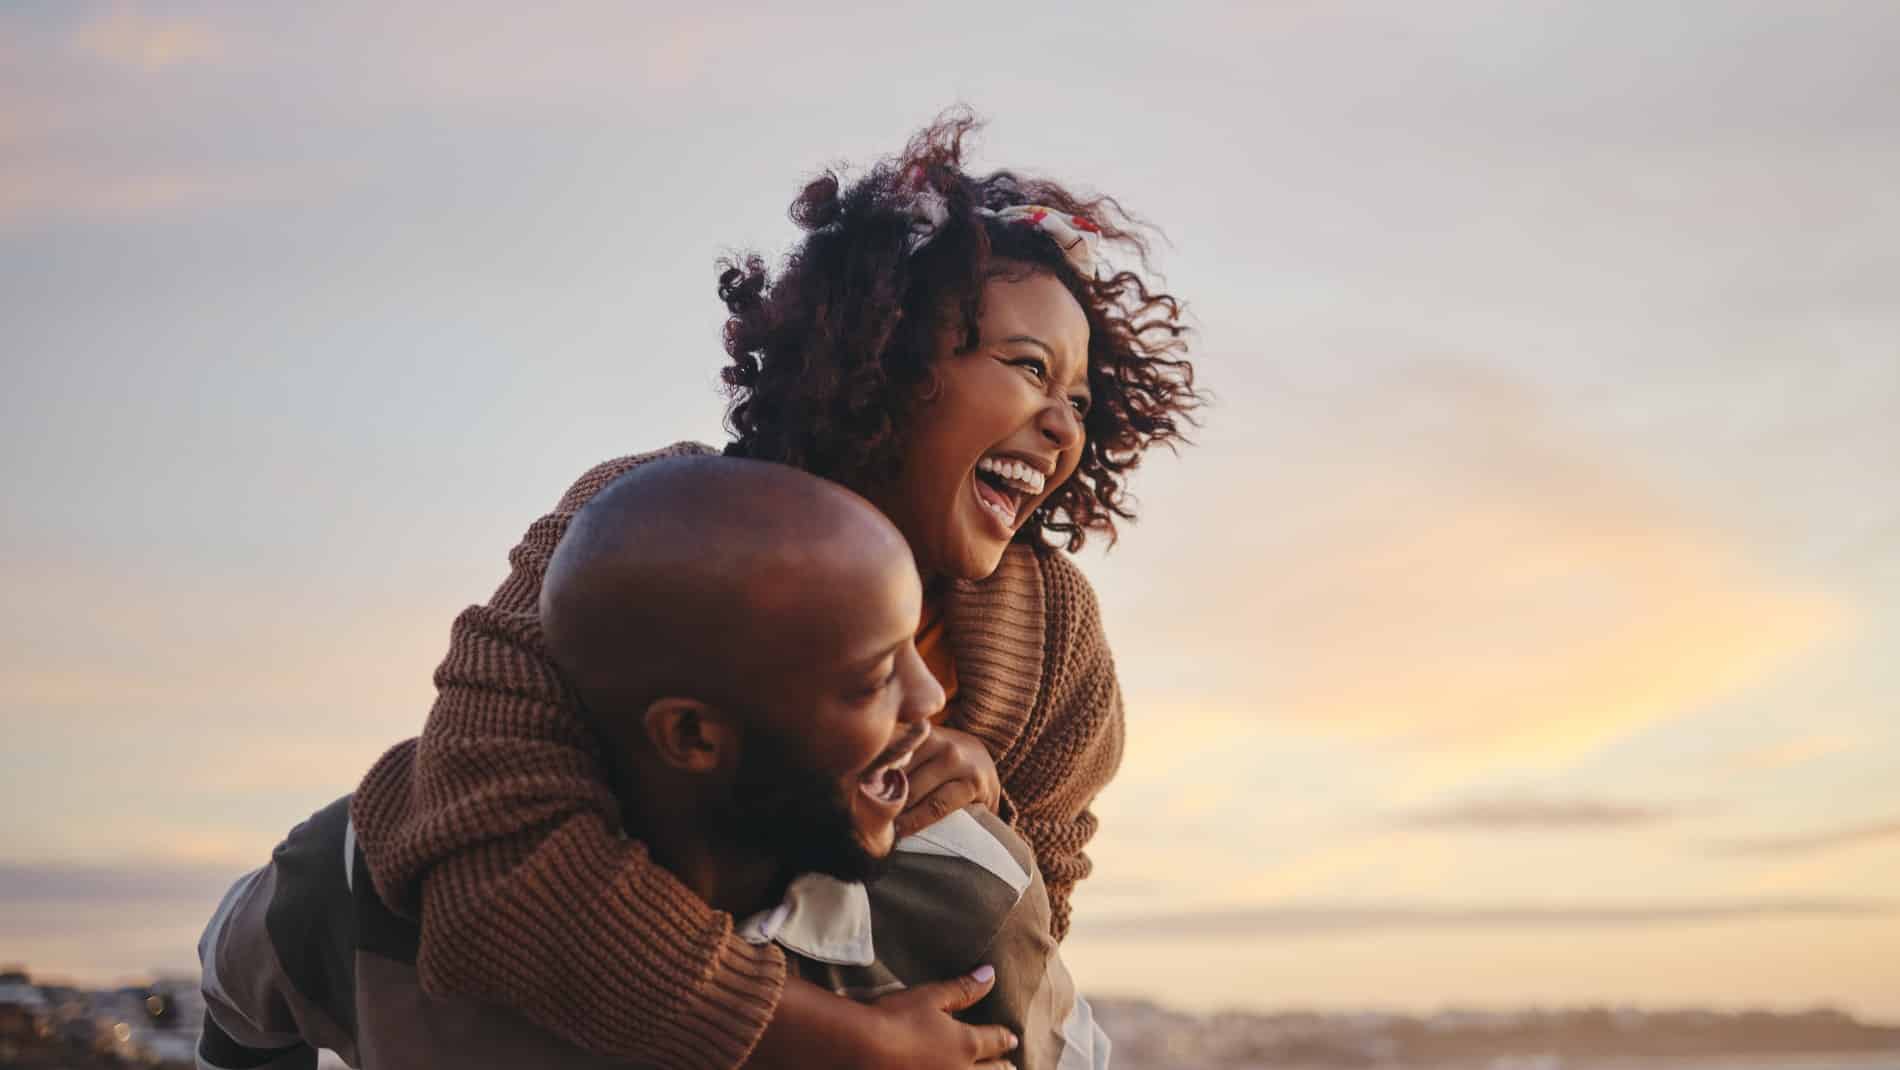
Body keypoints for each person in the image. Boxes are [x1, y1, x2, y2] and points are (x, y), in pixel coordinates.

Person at [349, 109, 1200, 1068]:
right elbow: (491, 869)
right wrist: (823, 1041)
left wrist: (981, 814)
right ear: (886, 360)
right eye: (1027, 368)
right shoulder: (646, 525)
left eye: (1080, 402)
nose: (1064, 428)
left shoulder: (1053, 638)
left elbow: (1021, 935)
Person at [197, 457, 1106, 1069]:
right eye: (872, 680)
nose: (933, 701)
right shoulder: (364, 877)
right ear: (694, 737)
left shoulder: (967, 901)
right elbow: (236, 992)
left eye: (919, 646)